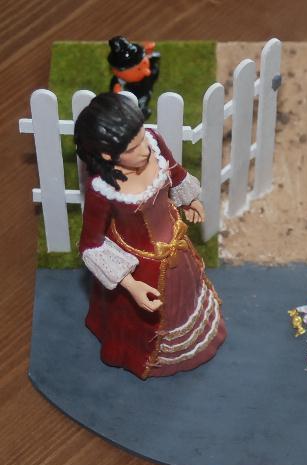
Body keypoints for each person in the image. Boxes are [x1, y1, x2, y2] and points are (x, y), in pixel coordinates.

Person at [75, 92, 226, 379]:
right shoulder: (102, 190)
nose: (145, 148)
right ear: (107, 155)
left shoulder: (154, 142)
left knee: (185, 300)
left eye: (142, 136)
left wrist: (189, 199)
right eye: (133, 147)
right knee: (142, 323)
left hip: (176, 246)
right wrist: (131, 285)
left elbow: (175, 172)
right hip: (141, 266)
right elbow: (91, 244)